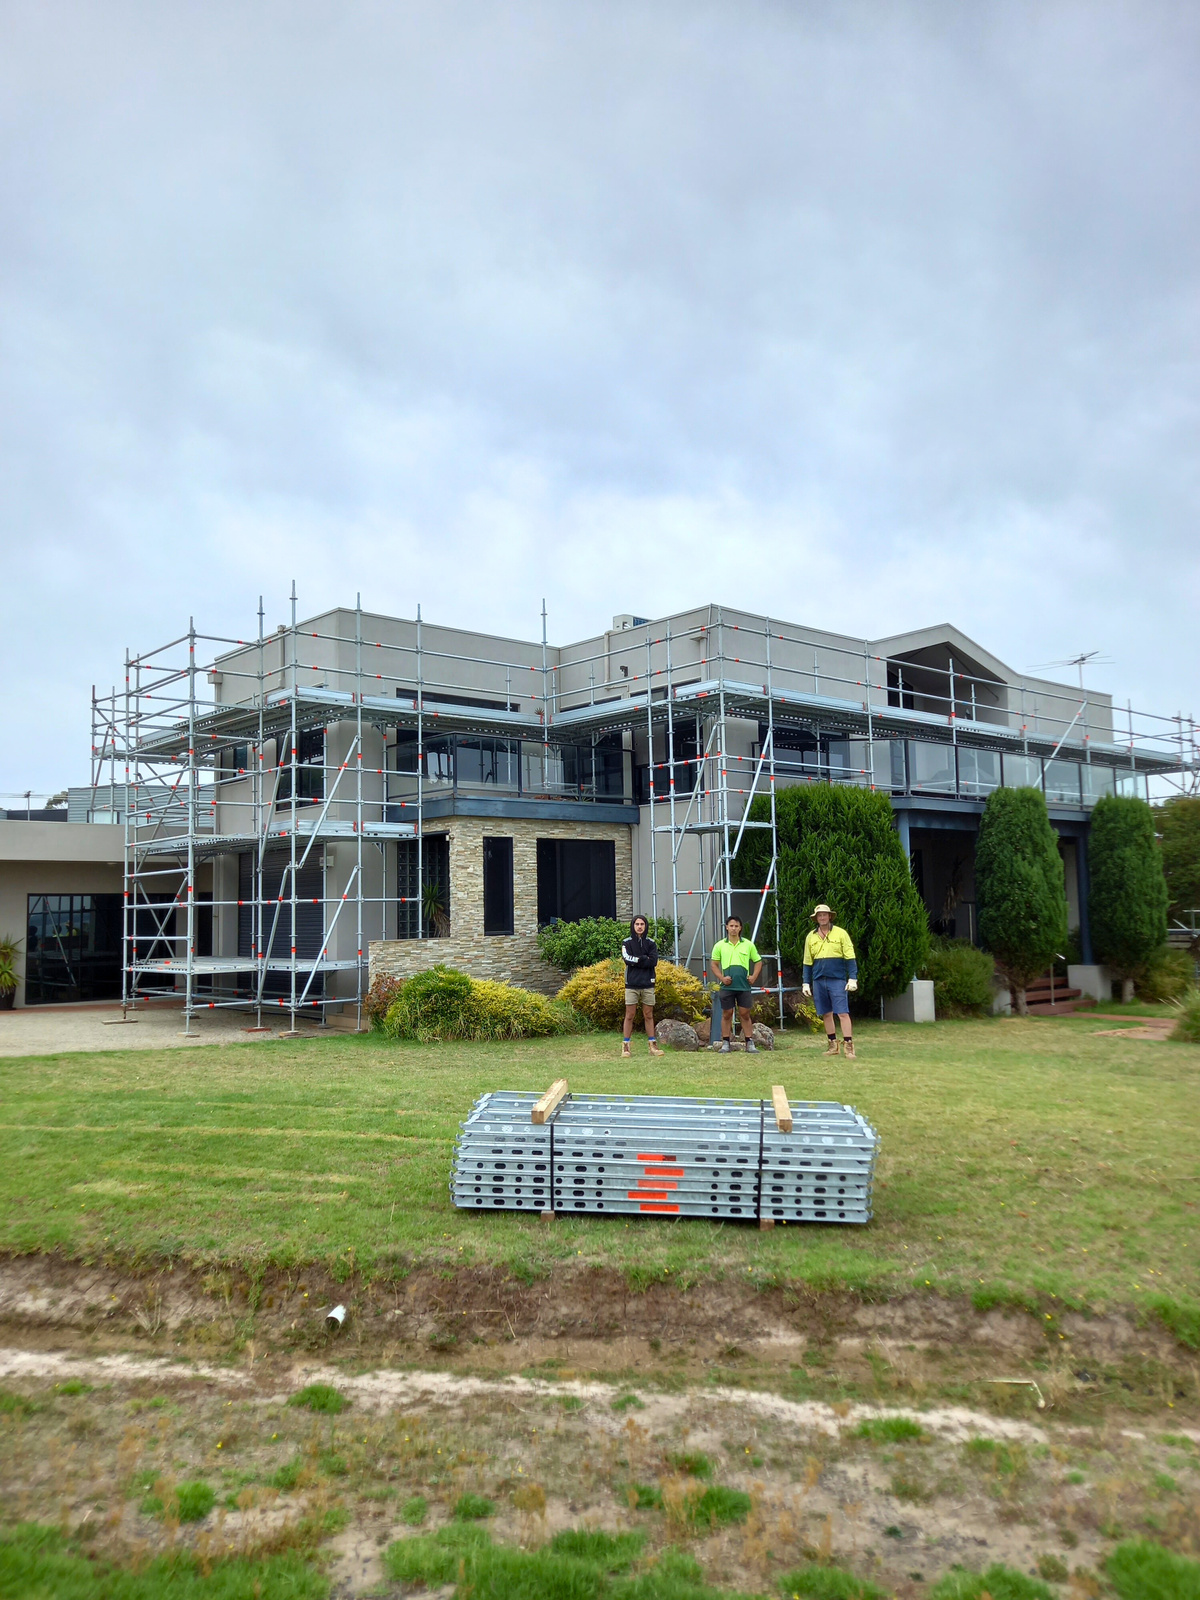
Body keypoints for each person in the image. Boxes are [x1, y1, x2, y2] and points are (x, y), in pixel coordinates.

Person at [801, 903, 857, 1059]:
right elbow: (807, 961)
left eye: (825, 915)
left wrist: (852, 977)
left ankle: (849, 1045)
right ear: (816, 918)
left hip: (837, 979)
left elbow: (850, 956)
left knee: (842, 1013)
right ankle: (833, 1044)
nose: (822, 917)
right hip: (818, 980)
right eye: (820, 915)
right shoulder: (810, 937)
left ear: (830, 916)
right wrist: (806, 982)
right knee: (826, 1013)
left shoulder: (841, 933)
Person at [710, 914, 762, 1052]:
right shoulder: (720, 945)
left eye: (736, 926)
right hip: (727, 986)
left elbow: (758, 961)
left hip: (743, 986)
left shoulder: (748, 945)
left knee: (745, 1013)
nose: (733, 928)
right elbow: (714, 964)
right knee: (727, 1013)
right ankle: (725, 1042)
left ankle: (749, 1043)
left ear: (740, 928)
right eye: (731, 926)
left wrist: (754, 977)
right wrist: (722, 978)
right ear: (726, 927)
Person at [621, 915, 664, 1058]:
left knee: (648, 1014)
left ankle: (652, 1045)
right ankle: (626, 1046)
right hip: (631, 984)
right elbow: (627, 959)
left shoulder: (651, 943)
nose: (639, 926)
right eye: (637, 924)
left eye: (642, 924)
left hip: (648, 983)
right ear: (633, 926)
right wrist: (643, 959)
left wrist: (641, 960)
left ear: (645, 926)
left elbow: (653, 961)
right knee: (630, 1015)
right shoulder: (626, 943)